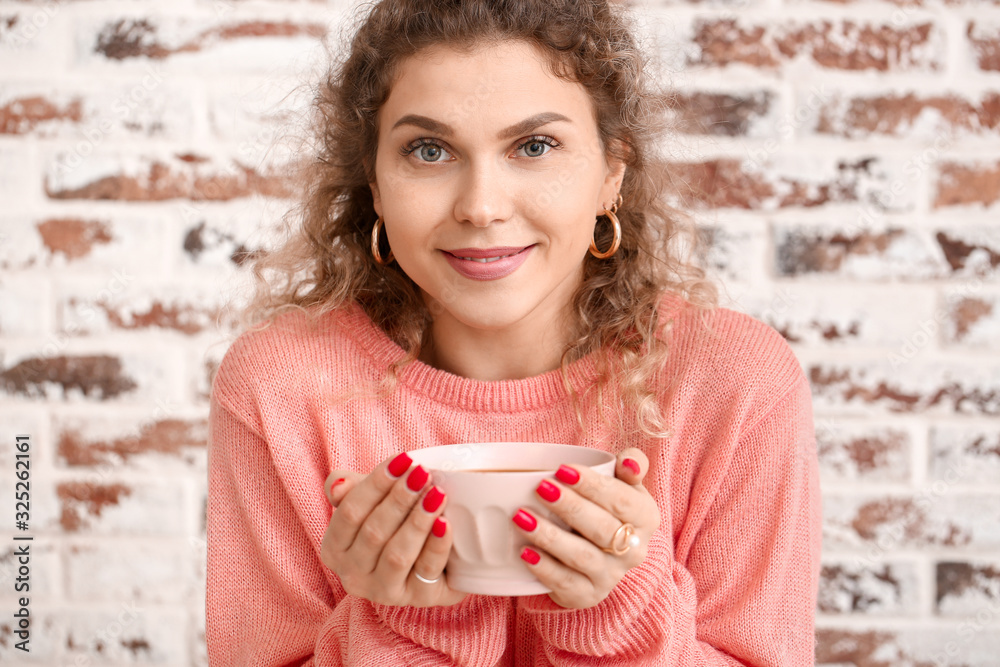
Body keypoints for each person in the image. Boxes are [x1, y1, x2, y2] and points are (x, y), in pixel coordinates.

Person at [206, 0, 822, 665]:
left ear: (612, 172)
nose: (481, 206)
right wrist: (404, 624)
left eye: (534, 146)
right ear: (376, 186)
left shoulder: (735, 384)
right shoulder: (278, 388)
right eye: (429, 149)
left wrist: (621, 615)